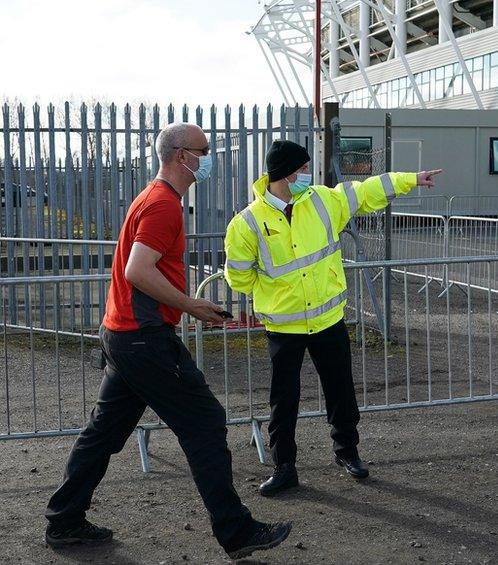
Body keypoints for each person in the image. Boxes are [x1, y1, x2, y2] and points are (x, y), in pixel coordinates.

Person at [44, 123, 292, 560]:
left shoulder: (152, 197)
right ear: (182, 156)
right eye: (205, 150)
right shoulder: (162, 205)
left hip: (124, 336)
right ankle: (236, 533)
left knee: (101, 435)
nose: (210, 157)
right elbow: (137, 271)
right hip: (143, 340)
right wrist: (191, 305)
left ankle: (64, 521)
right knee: (205, 423)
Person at [223, 139, 441, 497]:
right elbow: (238, 276)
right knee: (284, 400)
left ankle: (347, 453)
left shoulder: (323, 201)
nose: (308, 175)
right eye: (302, 170)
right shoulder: (246, 223)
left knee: (340, 391)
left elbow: (368, 190)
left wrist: (411, 179)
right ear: (286, 174)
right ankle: (285, 467)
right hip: (285, 325)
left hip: (327, 319)